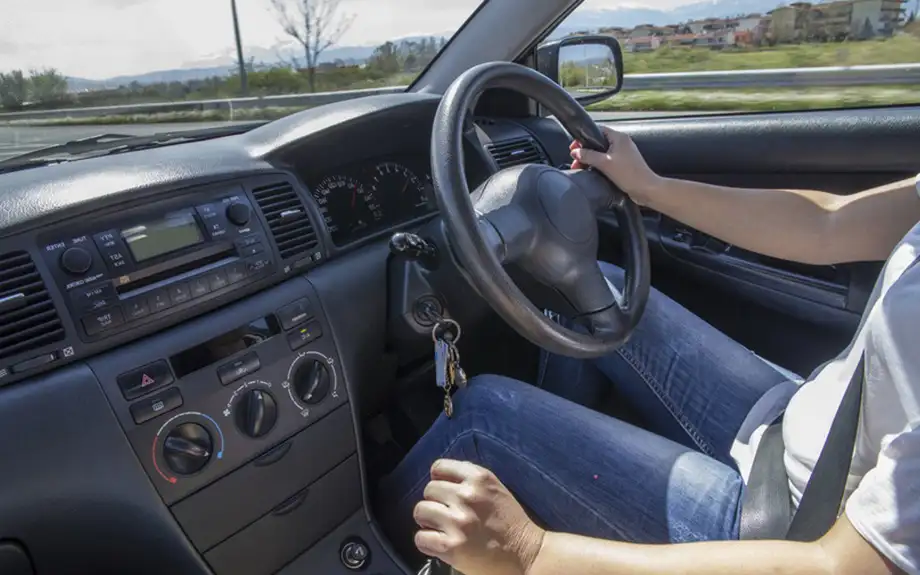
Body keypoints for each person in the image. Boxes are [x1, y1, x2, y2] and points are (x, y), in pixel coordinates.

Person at [377, 125, 920, 575]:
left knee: (482, 418)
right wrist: (648, 186)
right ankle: (559, 479)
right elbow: (828, 223)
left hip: (795, 525)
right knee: (595, 292)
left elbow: (839, 567)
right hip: (797, 423)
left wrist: (530, 550)